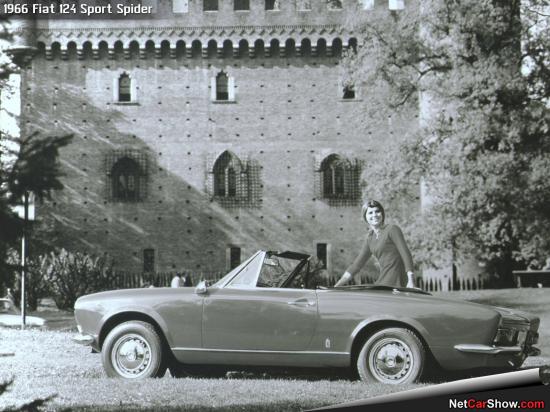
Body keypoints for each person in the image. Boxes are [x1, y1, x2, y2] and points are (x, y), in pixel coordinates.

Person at [335, 200, 415, 288]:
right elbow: (356, 265)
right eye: (370, 213)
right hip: (383, 280)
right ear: (365, 217)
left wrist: (411, 281)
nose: (374, 215)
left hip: (397, 281)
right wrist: (337, 285)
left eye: (377, 211)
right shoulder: (370, 238)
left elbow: (405, 254)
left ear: (382, 214)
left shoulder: (392, 229)